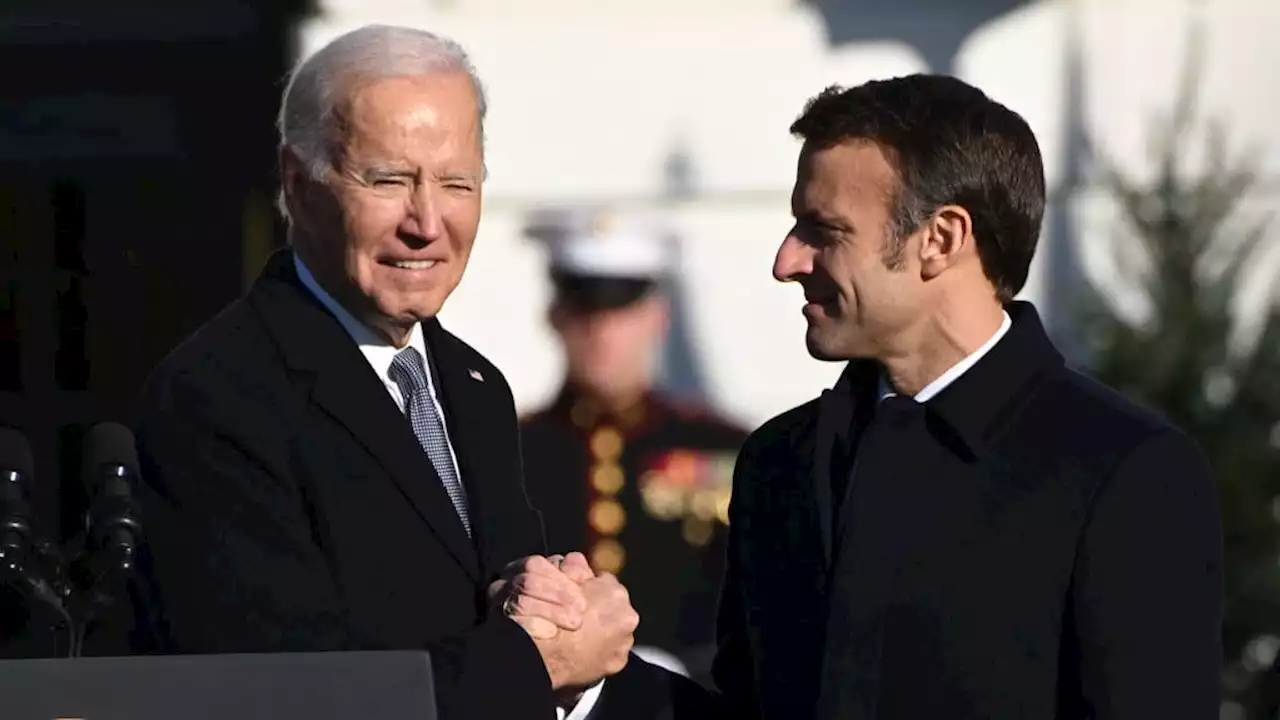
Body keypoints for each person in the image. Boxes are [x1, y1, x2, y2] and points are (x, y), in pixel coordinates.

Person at [501, 73, 1224, 719]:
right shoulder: (782, 460)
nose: (787, 262)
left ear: (940, 240)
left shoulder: (1122, 471)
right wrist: (593, 680)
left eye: (824, 231)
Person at [126, 25, 639, 720]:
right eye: (389, 180)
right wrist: (537, 662)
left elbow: (523, 631)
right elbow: (282, 692)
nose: (426, 222)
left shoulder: (473, 385)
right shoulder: (218, 396)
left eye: (456, 183)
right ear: (297, 184)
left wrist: (576, 628)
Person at [519, 207, 749, 681]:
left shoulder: (726, 448)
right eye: (586, 310)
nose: (603, 332)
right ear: (556, 317)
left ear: (656, 318)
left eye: (621, 310)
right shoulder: (509, 450)